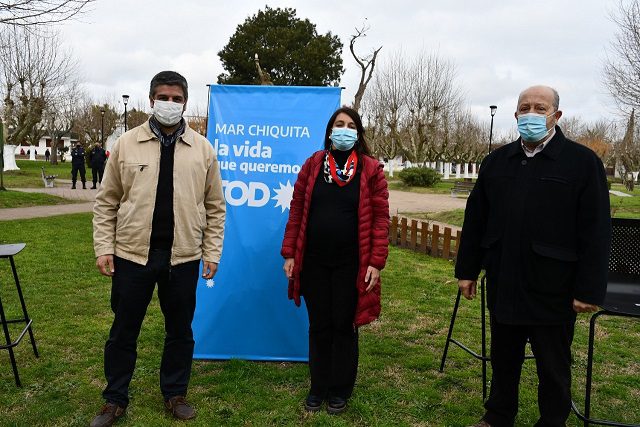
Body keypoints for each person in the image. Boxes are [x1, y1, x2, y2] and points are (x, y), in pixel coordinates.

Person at [455, 85, 611, 427]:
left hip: (553, 286)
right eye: (525, 107)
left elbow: (596, 229)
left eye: (540, 108)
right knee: (504, 358)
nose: (531, 113)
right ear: (515, 116)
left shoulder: (582, 163)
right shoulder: (497, 162)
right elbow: (476, 218)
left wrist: (588, 289)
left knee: (552, 365)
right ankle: (498, 415)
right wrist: (467, 270)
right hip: (504, 279)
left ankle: (553, 421)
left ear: (556, 115)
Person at [91, 71, 226, 427]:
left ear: (185, 102)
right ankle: (114, 399)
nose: (170, 104)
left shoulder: (203, 149)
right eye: (163, 97)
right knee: (123, 330)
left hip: (182, 258)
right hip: (132, 255)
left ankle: (175, 394)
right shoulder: (126, 144)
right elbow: (106, 202)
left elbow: (215, 207)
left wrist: (211, 253)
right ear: (151, 101)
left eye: (177, 98)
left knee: (180, 331)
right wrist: (105, 246)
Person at [281, 106, 390, 415]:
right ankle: (319, 387)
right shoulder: (313, 165)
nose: (344, 129)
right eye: (339, 124)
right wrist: (290, 253)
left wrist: (376, 262)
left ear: (358, 133)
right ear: (329, 131)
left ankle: (339, 390)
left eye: (350, 125)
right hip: (313, 260)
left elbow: (381, 219)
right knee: (319, 325)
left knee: (344, 325)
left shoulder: (371, 170)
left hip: (351, 263)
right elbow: (297, 209)